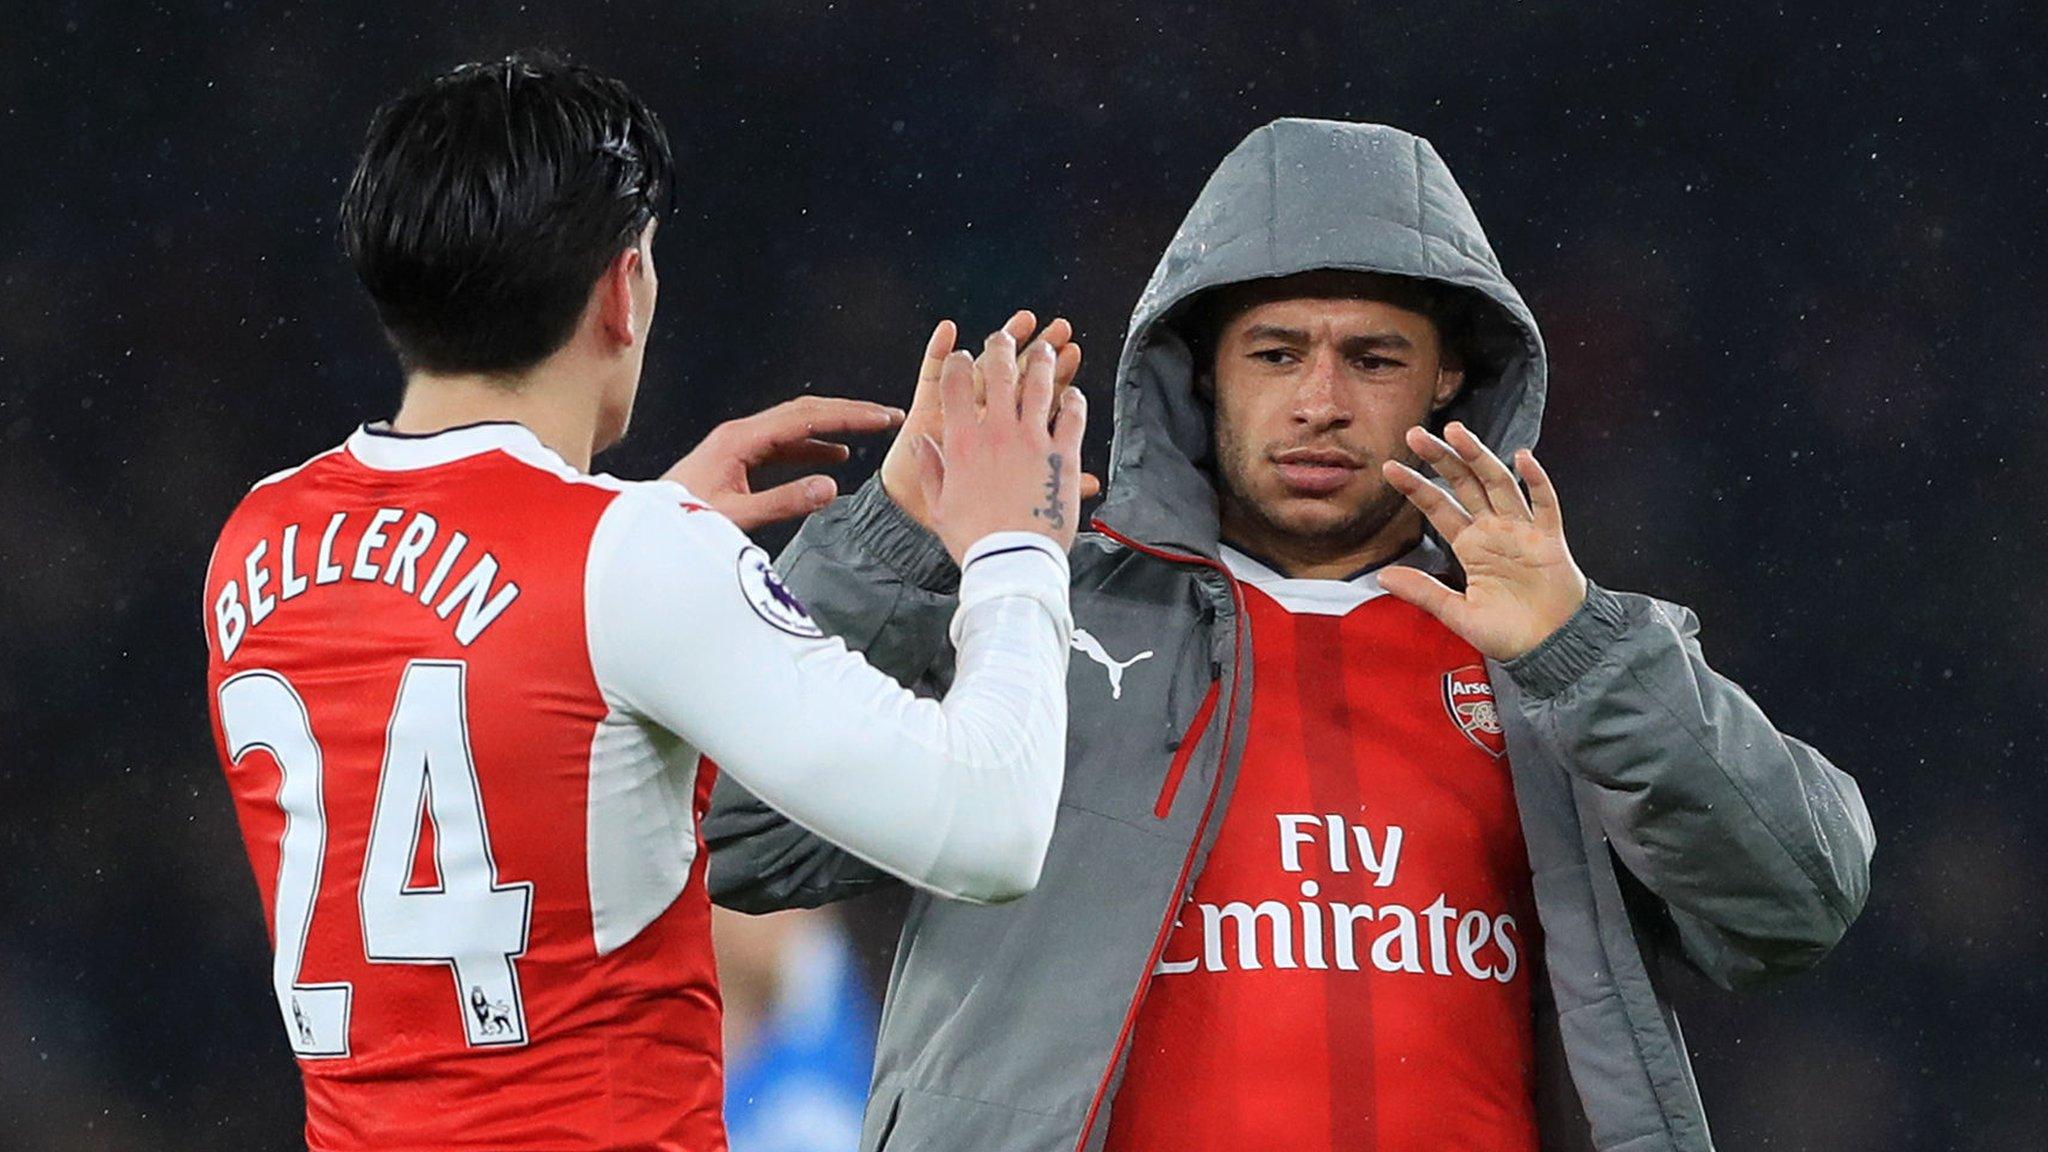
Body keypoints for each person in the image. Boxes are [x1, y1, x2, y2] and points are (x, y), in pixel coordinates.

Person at [706, 118, 1876, 1151]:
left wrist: (1578, 651)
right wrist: (902, 541)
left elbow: (1793, 904)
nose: (1319, 399)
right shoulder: (1027, 616)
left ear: (1447, 380)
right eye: (1275, 353)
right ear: (1201, 372)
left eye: (1372, 359)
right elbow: (742, 840)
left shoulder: (1554, 650)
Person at [201, 52, 1088, 1152]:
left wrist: (645, 538)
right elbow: (989, 831)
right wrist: (1015, 545)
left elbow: (470, 678)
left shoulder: (257, 539)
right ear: (624, 289)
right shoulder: (630, 563)